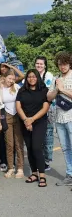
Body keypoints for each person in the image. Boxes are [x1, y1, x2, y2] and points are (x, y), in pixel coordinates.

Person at [16, 69, 49, 188]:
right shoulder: (22, 90)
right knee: (29, 148)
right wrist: (26, 120)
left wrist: (31, 119)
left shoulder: (44, 90)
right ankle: (34, 173)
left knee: (36, 147)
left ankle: (42, 174)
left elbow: (45, 108)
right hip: (25, 122)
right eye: (29, 77)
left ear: (37, 77)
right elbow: (18, 106)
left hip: (39, 122)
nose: (31, 79)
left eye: (34, 76)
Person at [47, 51, 72, 187]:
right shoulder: (56, 78)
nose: (62, 67)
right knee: (65, 148)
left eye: (65, 64)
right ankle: (69, 174)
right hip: (59, 117)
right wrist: (57, 89)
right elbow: (49, 97)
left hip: (71, 116)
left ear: (69, 63)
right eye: (60, 64)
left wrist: (63, 90)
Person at [0, 70, 24, 179]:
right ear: (4, 77)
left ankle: (20, 168)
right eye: (9, 78)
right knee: (9, 144)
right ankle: (10, 167)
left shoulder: (17, 87)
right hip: (7, 116)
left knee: (19, 143)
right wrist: (0, 87)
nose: (11, 81)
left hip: (18, 115)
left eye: (13, 79)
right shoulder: (0, 89)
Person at [34, 56, 55, 171]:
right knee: (38, 136)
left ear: (45, 65)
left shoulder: (49, 76)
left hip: (47, 109)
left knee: (47, 136)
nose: (39, 65)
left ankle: (46, 161)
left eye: (41, 64)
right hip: (35, 109)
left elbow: (46, 92)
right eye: (37, 63)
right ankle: (39, 159)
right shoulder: (32, 75)